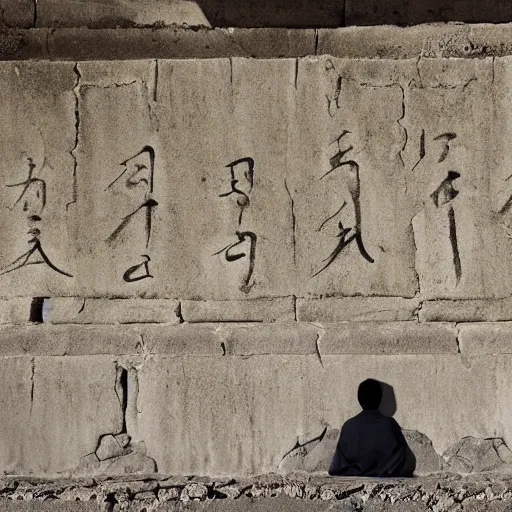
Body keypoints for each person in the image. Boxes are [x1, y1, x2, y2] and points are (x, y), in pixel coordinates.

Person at [328, 379, 411, 477]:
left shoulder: (348, 426)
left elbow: (338, 465)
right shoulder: (390, 424)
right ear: (380, 398)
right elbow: (402, 457)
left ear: (359, 398)